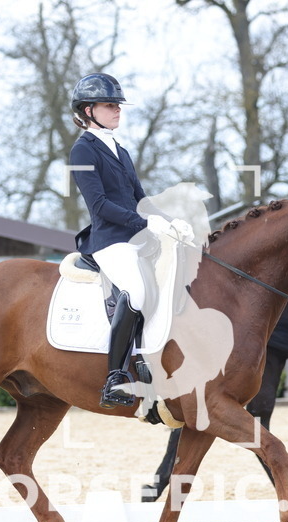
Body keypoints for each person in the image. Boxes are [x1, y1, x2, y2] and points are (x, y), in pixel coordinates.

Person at [68, 72, 190, 408]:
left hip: (137, 236)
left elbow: (140, 197)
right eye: (110, 105)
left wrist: (172, 222)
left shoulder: (120, 150)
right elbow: (100, 206)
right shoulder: (82, 152)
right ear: (88, 110)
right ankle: (115, 377)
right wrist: (145, 223)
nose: (117, 110)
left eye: (118, 105)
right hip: (109, 240)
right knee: (136, 290)